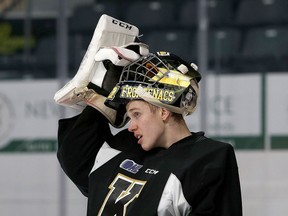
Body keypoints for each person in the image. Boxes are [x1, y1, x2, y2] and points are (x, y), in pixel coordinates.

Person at [56, 50, 242, 216]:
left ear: (163, 110)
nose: (131, 126)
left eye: (136, 114)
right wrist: (102, 90)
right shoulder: (126, 146)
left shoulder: (209, 158)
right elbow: (74, 158)